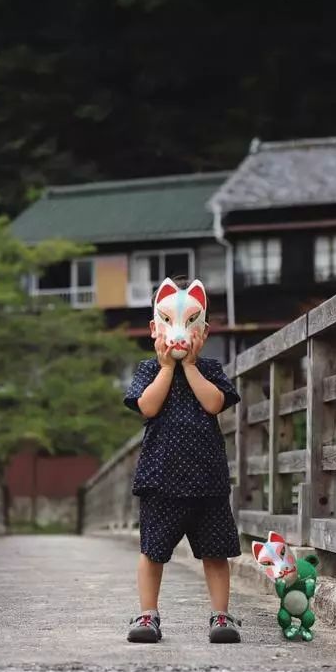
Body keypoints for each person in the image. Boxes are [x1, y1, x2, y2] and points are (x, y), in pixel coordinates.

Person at [122, 275, 242, 644]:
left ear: (203, 331)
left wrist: (190, 366)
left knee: (215, 552)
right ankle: (148, 614)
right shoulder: (148, 371)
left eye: (192, 323)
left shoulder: (210, 370)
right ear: (153, 328)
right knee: (152, 551)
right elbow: (148, 406)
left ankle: (220, 615)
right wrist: (167, 367)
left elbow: (214, 403)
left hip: (207, 480)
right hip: (161, 479)